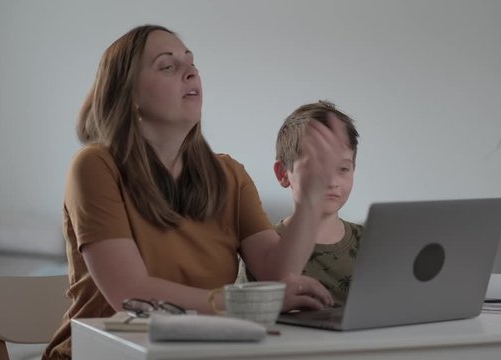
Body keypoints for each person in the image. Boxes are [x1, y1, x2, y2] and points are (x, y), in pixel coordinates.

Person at [43, 24, 346, 359]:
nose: (190, 72)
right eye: (168, 66)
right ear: (128, 95)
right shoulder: (94, 166)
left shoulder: (230, 174)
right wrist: (250, 303)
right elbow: (132, 295)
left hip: (199, 351)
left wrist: (311, 198)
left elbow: (275, 272)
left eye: (191, 62)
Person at [246, 101, 361, 306]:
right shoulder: (262, 250)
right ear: (283, 174)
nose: (332, 181)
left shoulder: (372, 242)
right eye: (318, 166)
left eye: (343, 169)